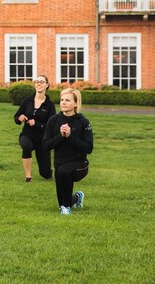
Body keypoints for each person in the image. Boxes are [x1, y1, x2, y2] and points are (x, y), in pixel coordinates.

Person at [42, 88, 93, 216]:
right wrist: (61, 136)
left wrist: (70, 136)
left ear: (75, 104)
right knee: (61, 172)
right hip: (60, 163)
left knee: (64, 171)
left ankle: (66, 208)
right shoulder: (53, 121)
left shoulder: (83, 122)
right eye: (62, 100)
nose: (63, 102)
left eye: (67, 100)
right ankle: (76, 198)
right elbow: (45, 146)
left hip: (80, 164)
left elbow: (88, 148)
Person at [14, 75, 55, 182]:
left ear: (47, 85)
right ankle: (28, 176)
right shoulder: (28, 101)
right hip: (27, 134)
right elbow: (16, 117)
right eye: (37, 82)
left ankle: (48, 173)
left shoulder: (50, 105)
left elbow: (51, 126)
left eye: (41, 82)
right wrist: (20, 118)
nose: (39, 84)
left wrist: (36, 124)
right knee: (26, 146)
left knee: (45, 174)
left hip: (42, 140)